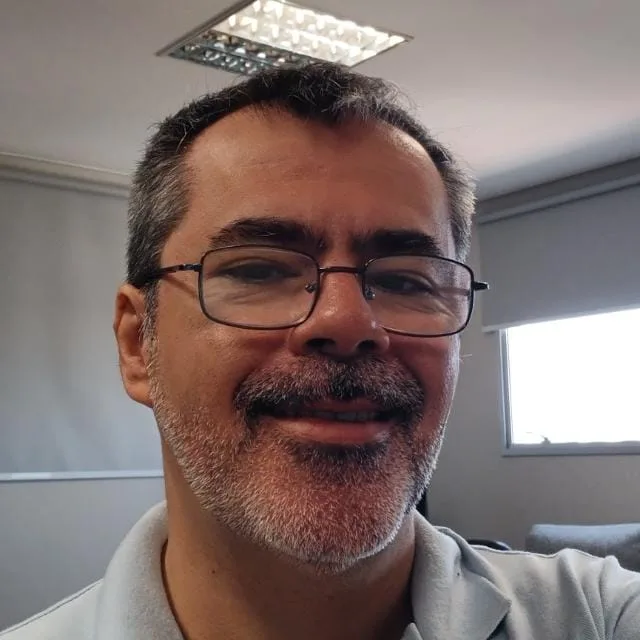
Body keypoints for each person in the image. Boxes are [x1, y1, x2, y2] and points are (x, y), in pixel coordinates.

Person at [2, 62, 639, 640]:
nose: (347, 321)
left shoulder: (594, 615)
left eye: (406, 280)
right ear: (137, 344)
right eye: (258, 270)